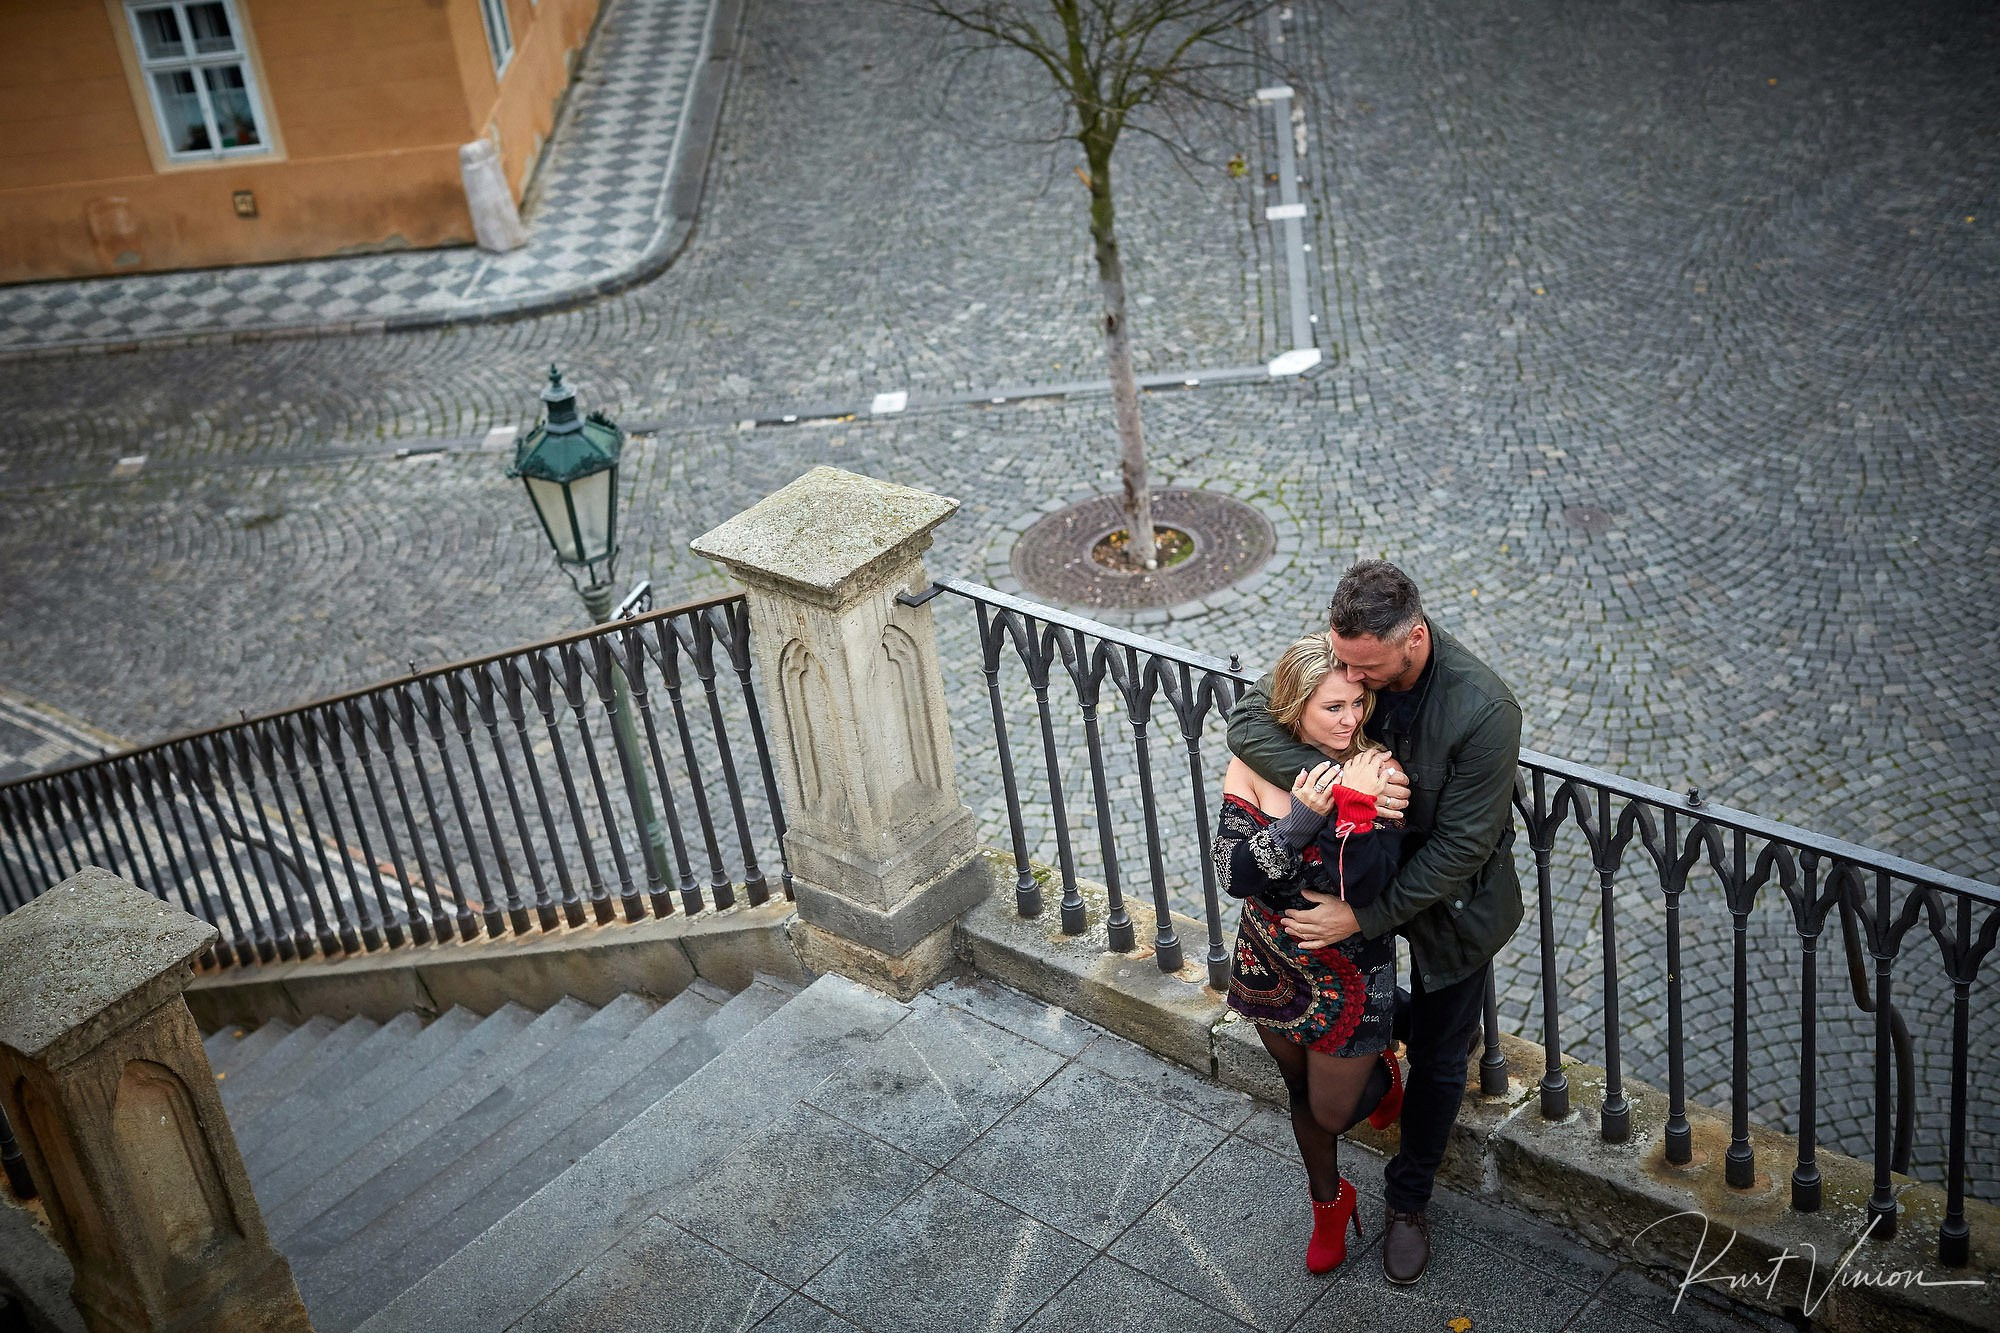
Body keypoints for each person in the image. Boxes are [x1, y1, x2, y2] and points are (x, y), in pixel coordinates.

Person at [1227, 560, 1523, 1286]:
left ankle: (1407, 1202)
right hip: (1355, 872)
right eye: (1343, 674)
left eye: (1367, 674)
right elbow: (1245, 719)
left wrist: (1361, 914)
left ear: (1414, 639)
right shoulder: (1353, 659)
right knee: (1380, 1038)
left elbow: (1462, 849)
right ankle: (1391, 1049)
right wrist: (1338, 781)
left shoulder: (1485, 710)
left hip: (1448, 901)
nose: (1354, 690)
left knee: (1445, 1059)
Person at [1213, 632, 1408, 1275]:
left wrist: (1352, 806)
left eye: (1358, 705)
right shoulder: (1252, 764)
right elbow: (1234, 874)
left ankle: (1387, 1058)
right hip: (1268, 957)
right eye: (1334, 708)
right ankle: (1329, 1202)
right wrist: (1300, 819)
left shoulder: (1377, 771)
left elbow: (1368, 883)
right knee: (1298, 1087)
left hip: (1347, 969)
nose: (1352, 720)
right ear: (1295, 709)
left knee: (1329, 1107)